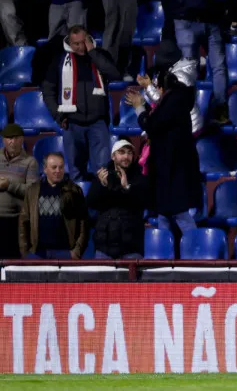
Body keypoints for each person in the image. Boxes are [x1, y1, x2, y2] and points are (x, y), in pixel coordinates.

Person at [126, 67, 204, 249]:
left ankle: (197, 252)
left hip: (173, 169)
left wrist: (139, 107)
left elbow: (152, 125)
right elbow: (158, 121)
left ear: (162, 87)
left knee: (179, 214)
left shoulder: (173, 101)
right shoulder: (176, 100)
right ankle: (162, 255)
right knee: (164, 214)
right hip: (167, 168)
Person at [42, 26, 121, 181]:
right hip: (72, 124)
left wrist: (93, 53)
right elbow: (48, 90)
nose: (79, 47)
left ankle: (99, 203)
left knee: (103, 171)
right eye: (75, 43)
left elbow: (114, 73)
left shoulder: (100, 55)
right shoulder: (60, 60)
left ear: (88, 39)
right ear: (69, 43)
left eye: (82, 42)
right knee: (76, 173)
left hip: (97, 123)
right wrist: (58, 116)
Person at [18, 153, 88, 260]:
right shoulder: (32, 191)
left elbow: (83, 223)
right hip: (38, 253)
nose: (58, 171)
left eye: (61, 167)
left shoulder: (75, 190)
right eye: (54, 167)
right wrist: (25, 252)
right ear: (45, 169)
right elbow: (23, 221)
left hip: (66, 253)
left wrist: (76, 251)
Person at [87, 139, 149, 259]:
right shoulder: (102, 177)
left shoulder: (140, 179)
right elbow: (90, 203)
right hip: (104, 248)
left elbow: (145, 201)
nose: (126, 156)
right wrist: (102, 186)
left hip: (131, 249)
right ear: (113, 156)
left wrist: (127, 187)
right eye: (122, 152)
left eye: (130, 153)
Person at [0, 124, 39, 259]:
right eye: (9, 138)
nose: (12, 142)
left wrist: (8, 185)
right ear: (4, 140)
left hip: (15, 220)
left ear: (22, 140)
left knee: (12, 261)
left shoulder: (30, 162)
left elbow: (32, 191)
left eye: (16, 138)